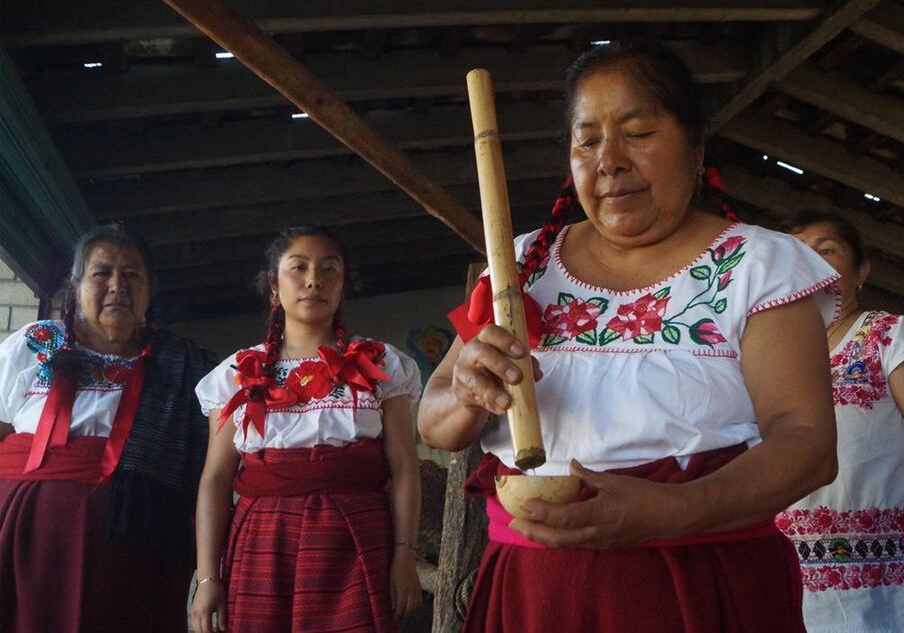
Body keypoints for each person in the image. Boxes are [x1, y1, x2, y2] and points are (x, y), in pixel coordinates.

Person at [419, 40, 841, 632]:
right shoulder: (519, 267)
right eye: (587, 140)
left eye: (637, 132)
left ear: (696, 146)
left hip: (698, 584)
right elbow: (434, 421)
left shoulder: (760, 264)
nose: (608, 160)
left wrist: (675, 511)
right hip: (535, 593)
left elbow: (808, 445)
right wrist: (466, 391)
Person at [189, 226, 422, 633]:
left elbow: (404, 467)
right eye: (299, 267)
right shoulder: (236, 374)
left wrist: (404, 554)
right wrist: (208, 577)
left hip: (356, 539)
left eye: (329, 269)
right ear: (273, 287)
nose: (315, 279)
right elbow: (216, 478)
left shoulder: (382, 364)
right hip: (262, 543)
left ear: (343, 285)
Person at [0, 223, 214, 632]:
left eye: (133, 275)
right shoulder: (36, 342)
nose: (118, 286)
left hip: (130, 547)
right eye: (102, 273)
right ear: (77, 285)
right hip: (24, 538)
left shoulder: (184, 366)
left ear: (151, 290)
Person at [778, 211, 904, 633]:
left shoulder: (890, 337)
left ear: (862, 271)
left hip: (887, 601)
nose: (813, 265)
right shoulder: (768, 364)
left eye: (827, 251)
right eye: (798, 256)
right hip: (790, 596)